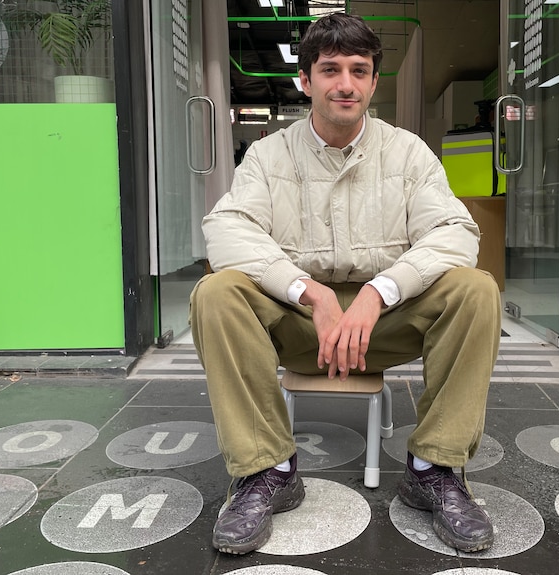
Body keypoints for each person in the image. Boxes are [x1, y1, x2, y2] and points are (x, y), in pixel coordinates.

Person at [190, 12, 501, 555]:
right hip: (300, 324)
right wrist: (309, 293)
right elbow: (226, 227)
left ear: (374, 81)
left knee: (476, 289)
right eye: (330, 70)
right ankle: (268, 472)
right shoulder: (269, 155)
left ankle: (434, 469)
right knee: (216, 292)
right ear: (305, 80)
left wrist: (379, 293)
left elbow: (456, 231)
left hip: (385, 325)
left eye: (359, 70)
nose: (345, 84)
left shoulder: (407, 153)